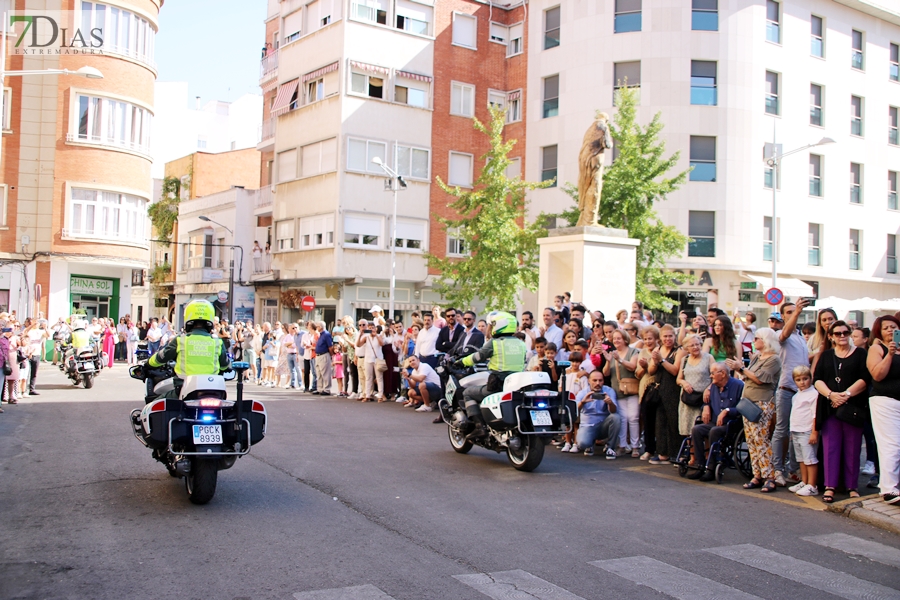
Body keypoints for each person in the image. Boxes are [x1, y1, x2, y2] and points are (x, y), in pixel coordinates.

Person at [814, 320, 870, 503]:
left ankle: (852, 486)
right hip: (830, 407)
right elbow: (817, 379)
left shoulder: (860, 354)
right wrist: (831, 395)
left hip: (853, 407)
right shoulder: (826, 355)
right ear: (831, 337)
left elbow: (865, 378)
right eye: (837, 333)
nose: (842, 336)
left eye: (845, 332)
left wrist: (845, 395)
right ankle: (830, 486)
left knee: (853, 448)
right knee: (831, 447)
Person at [726, 328, 782, 494]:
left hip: (762, 402)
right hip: (749, 401)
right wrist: (742, 369)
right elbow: (748, 376)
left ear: (765, 340)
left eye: (756, 338)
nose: (753, 341)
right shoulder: (757, 357)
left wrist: (741, 368)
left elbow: (759, 379)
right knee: (751, 440)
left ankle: (769, 477)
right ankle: (757, 474)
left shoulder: (774, 359)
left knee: (761, 440)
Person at [459, 311, 526, 440]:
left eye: (492, 324)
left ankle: (480, 427)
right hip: (516, 385)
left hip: (497, 384)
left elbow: (477, 357)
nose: (490, 327)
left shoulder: (495, 343)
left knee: (468, 393)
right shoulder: (521, 343)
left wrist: (461, 362)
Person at [769, 300, 812, 487]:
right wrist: (797, 312)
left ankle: (793, 469)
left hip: (801, 391)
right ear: (783, 316)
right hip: (786, 389)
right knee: (781, 429)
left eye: (795, 311)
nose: (793, 313)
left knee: (798, 431)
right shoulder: (780, 333)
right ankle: (777, 469)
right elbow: (785, 333)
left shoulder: (801, 337)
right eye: (789, 312)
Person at [687, 362, 744, 480]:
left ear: (722, 374)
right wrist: (705, 406)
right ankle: (700, 465)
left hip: (731, 424)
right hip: (714, 422)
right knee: (696, 429)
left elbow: (743, 407)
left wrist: (728, 410)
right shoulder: (712, 387)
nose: (711, 376)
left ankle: (711, 468)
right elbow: (706, 402)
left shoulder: (738, 385)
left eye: (712, 373)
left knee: (714, 431)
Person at [146, 300, 229, 380]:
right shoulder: (217, 342)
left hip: (184, 387)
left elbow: (161, 357)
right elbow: (225, 365)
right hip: (212, 387)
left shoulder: (180, 340)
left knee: (160, 394)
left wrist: (147, 364)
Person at [866, 315, 900, 504]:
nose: (889, 330)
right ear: (879, 331)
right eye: (885, 327)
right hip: (885, 401)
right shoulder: (877, 349)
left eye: (893, 327)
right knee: (891, 445)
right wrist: (890, 354)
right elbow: (878, 375)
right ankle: (888, 489)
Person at [605, 329, 640, 456]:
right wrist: (609, 361)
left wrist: (619, 359)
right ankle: (623, 445)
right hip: (618, 390)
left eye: (618, 338)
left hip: (631, 390)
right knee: (623, 419)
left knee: (633, 418)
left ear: (625, 339)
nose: (616, 341)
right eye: (614, 339)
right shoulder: (613, 354)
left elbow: (632, 366)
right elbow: (606, 374)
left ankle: (635, 446)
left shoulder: (633, 352)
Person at [676, 334, 715, 448]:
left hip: (703, 398)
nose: (695, 347)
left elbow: (714, 377)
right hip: (687, 399)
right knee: (688, 429)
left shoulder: (708, 358)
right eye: (692, 345)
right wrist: (684, 383)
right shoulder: (685, 359)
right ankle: (692, 456)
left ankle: (707, 456)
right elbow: (678, 379)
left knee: (704, 427)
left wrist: (709, 388)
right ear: (687, 348)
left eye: (697, 344)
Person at [788, 366, 820, 496]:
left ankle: (812, 485)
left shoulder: (814, 395)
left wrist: (814, 432)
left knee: (810, 459)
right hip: (796, 430)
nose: (802, 382)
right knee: (801, 458)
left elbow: (815, 415)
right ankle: (804, 481)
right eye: (798, 379)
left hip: (807, 431)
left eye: (805, 379)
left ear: (811, 379)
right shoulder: (796, 396)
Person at [574, 370, 620, 459]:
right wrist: (582, 402)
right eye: (594, 380)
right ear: (589, 381)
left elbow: (614, 411)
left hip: (603, 426)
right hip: (588, 426)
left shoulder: (609, 391)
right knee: (582, 444)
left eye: (600, 380)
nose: (598, 383)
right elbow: (574, 411)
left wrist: (610, 403)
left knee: (616, 417)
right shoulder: (582, 393)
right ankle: (589, 444)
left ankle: (610, 448)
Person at [24, 320, 48, 395]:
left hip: (37, 353)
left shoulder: (40, 331)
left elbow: (48, 335)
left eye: (37, 323)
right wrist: (31, 326)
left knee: (34, 373)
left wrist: (45, 327)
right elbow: (25, 332)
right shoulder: (29, 331)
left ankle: (32, 389)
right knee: (26, 373)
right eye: (35, 323)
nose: (36, 324)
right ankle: (24, 389)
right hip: (28, 353)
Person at [314, 321, 333, 396]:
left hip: (324, 354)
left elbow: (330, 346)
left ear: (321, 327)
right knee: (319, 373)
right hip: (318, 355)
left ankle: (327, 389)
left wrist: (331, 355)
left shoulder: (326, 334)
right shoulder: (320, 335)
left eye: (318, 326)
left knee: (325, 373)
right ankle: (320, 388)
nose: (317, 328)